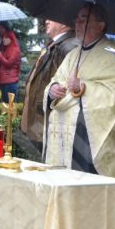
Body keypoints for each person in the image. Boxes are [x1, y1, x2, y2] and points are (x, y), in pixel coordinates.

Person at [44, 5, 115, 176]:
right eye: (76, 20)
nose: (77, 24)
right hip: (63, 130)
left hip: (86, 136)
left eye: (84, 19)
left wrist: (84, 87)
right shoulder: (73, 53)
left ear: (101, 25)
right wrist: (52, 90)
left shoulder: (113, 55)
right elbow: (56, 80)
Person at [21, 20, 78, 150]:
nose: (46, 20)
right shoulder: (56, 44)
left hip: (46, 123)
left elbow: (65, 85)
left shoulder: (69, 46)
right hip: (38, 123)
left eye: (52, 18)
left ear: (65, 23)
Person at [0, 22, 22, 99]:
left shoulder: (15, 50)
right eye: (3, 38)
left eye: (6, 38)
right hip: (3, 80)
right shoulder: (4, 49)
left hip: (11, 81)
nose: (4, 40)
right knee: (5, 105)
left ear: (11, 39)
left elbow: (9, 64)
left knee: (10, 105)